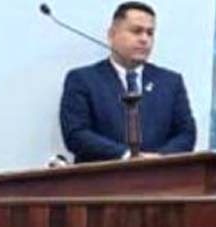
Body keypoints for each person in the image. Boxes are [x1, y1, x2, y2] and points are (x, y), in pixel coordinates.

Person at [59, 2, 195, 163]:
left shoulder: (171, 82)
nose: (144, 39)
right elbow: (76, 134)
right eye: (136, 31)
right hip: (100, 180)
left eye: (150, 33)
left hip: (160, 179)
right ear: (112, 34)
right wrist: (127, 156)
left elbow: (186, 134)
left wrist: (159, 158)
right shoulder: (83, 79)